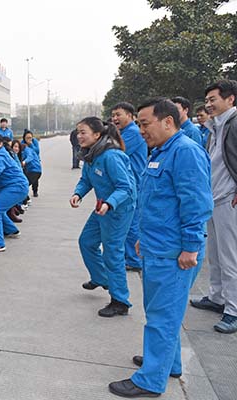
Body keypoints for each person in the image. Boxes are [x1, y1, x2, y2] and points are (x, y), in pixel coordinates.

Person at [109, 98, 213, 398]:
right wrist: (143, 235)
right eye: (139, 124)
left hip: (174, 253)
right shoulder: (162, 151)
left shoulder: (185, 152)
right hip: (158, 246)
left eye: (145, 124)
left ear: (168, 121)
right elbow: (156, 201)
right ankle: (169, 364)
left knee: (161, 317)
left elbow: (195, 204)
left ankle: (150, 380)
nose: (141, 131)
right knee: (165, 314)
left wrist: (191, 247)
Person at [70, 117, 135, 318]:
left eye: (83, 132)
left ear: (97, 135)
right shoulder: (91, 154)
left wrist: (110, 203)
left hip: (117, 210)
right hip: (102, 207)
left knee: (112, 253)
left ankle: (120, 301)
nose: (79, 136)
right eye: (78, 132)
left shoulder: (111, 156)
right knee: (86, 242)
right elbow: (86, 179)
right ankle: (101, 278)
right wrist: (78, 193)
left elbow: (126, 187)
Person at [190, 80, 237, 334]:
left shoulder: (234, 123)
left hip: (229, 198)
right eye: (206, 100)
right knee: (216, 254)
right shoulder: (216, 126)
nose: (208, 104)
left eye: (213, 99)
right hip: (214, 198)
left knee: (230, 257)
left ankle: (233, 310)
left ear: (231, 99)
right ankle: (217, 297)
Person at [111, 102, 147, 272]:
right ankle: (130, 256)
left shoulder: (132, 133)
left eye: (119, 114)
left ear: (130, 116)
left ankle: (134, 259)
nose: (115, 118)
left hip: (134, 184)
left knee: (131, 223)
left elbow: (116, 151)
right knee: (127, 221)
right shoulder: (124, 132)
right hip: (129, 182)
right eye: (113, 115)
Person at [0, 134, 29, 253]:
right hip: (10, 186)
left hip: (16, 187)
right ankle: (11, 230)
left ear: (0, 144)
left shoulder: (0, 156)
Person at [21, 130, 43, 197]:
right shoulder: (22, 144)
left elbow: (37, 151)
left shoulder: (34, 141)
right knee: (25, 179)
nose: (29, 139)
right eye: (27, 138)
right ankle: (24, 195)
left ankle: (34, 191)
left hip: (34, 163)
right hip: (26, 165)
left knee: (34, 179)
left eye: (30, 137)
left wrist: (31, 144)